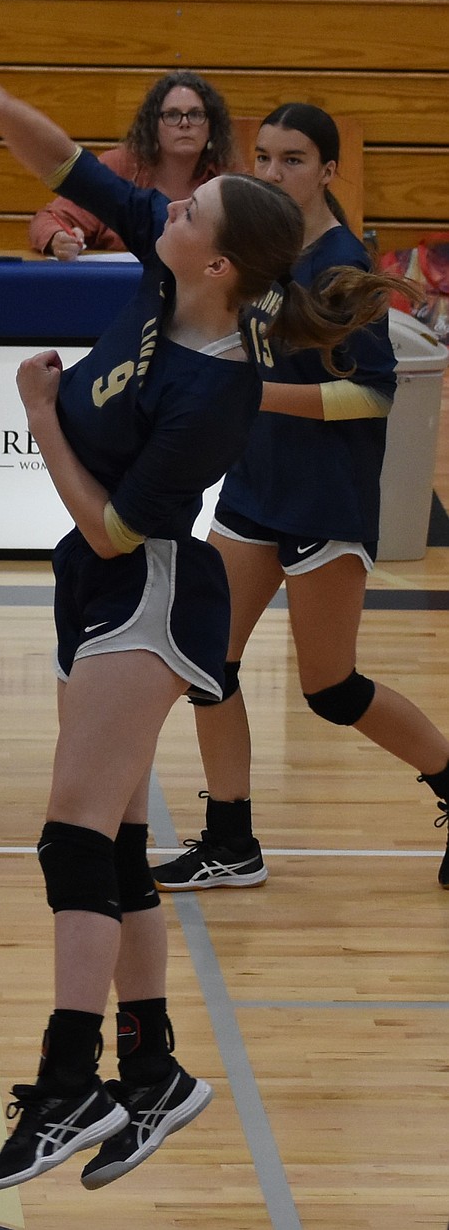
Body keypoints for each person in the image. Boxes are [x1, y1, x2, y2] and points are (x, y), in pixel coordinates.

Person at [0, 66, 400, 1194]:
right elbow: (64, 164)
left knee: (73, 838)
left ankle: (68, 1080)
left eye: (192, 209)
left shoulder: (215, 386)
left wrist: (40, 415)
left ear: (218, 262)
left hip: (144, 589)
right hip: (91, 582)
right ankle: (157, 1072)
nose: (169, 203)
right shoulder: (164, 259)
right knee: (117, 846)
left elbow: (122, 528)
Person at [150, 103, 449, 893]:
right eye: (264, 157)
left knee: (332, 690)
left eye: (291, 160)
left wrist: (252, 394)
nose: (273, 173)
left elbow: (374, 396)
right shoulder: (257, 254)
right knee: (206, 661)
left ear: (326, 170)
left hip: (324, 498)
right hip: (254, 489)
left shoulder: (344, 265)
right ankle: (230, 841)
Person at [28, 71, 238, 260]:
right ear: (153, 127)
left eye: (196, 114)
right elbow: (48, 219)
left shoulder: (229, 177)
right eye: (172, 115)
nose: (185, 123)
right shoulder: (118, 167)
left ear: (212, 127)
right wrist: (59, 238)